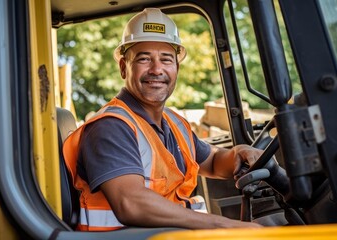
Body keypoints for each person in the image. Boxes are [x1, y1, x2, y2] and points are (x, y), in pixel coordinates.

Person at [63, 8, 263, 232]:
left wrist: (239, 153)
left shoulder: (174, 123)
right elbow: (131, 203)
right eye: (144, 59)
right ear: (123, 67)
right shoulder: (110, 127)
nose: (157, 69)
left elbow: (213, 162)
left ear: (176, 68)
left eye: (166, 59)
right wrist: (225, 226)